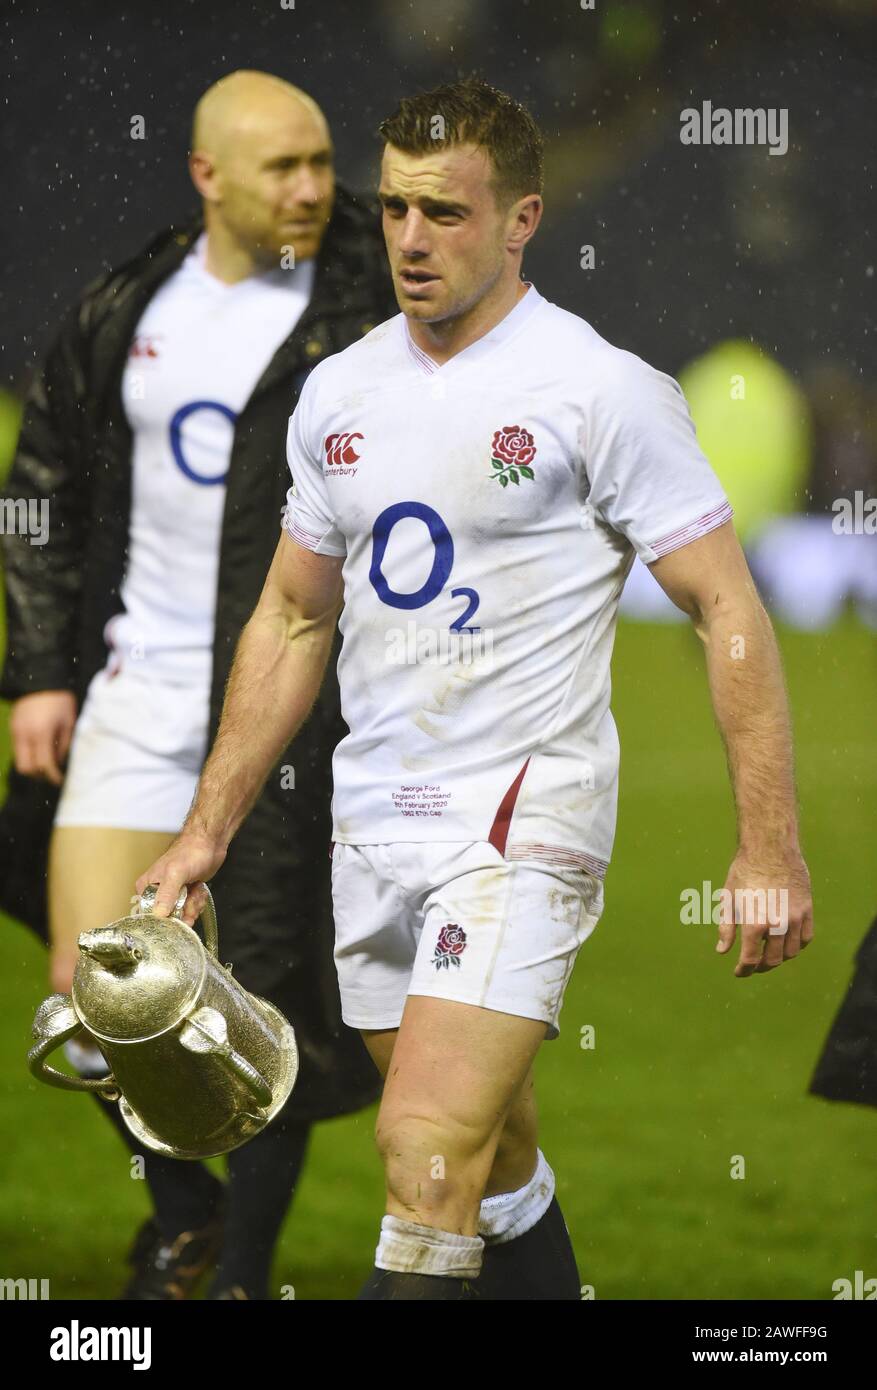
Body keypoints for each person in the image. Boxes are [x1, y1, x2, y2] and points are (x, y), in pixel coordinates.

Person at [136, 77, 815, 1301]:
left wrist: (765, 845)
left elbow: (727, 607)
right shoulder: (338, 392)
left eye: (444, 213)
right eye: (393, 207)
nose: (407, 239)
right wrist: (204, 833)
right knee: (493, 1164)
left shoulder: (599, 390)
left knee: (423, 1155)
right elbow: (293, 615)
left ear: (521, 220)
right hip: (374, 822)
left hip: (520, 822)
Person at [0, 69, 396, 1300]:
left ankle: (232, 1277)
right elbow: (46, 482)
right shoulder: (134, 301)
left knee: (257, 1001)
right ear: (206, 176)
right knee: (91, 986)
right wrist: (35, 674)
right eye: (283, 167)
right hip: (132, 687)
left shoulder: (367, 298)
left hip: (282, 704)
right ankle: (187, 1222)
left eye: (324, 161)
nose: (316, 189)